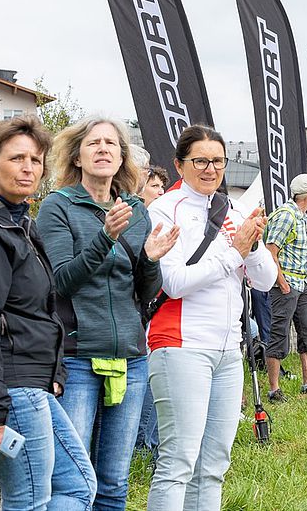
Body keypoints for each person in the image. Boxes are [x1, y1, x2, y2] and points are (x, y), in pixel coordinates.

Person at [0, 116, 97, 510]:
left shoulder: (18, 220)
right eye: (17, 158)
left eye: (36, 160)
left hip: (31, 382)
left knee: (77, 486)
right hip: (8, 387)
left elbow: (41, 307)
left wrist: (53, 372)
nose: (28, 168)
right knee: (29, 501)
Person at [36, 117, 179, 510]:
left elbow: (146, 293)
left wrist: (150, 260)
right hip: (78, 358)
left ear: (121, 158)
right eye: (93, 143)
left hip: (131, 359)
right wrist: (105, 238)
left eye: (111, 144)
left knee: (114, 481)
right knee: (73, 480)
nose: (103, 149)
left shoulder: (134, 209)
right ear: (77, 156)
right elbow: (60, 281)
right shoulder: (58, 207)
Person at [146, 125, 274, 511]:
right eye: (199, 160)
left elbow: (266, 279)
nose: (209, 169)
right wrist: (234, 251)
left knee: (214, 465)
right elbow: (174, 281)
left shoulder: (231, 209)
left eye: (217, 160)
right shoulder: (163, 210)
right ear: (179, 165)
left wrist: (249, 248)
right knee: (178, 462)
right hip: (179, 344)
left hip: (227, 349)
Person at [263, 173, 307, 399]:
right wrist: (281, 282)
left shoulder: (300, 215)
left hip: (302, 282)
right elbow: (271, 250)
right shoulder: (287, 215)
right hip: (287, 283)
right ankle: (273, 389)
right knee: (279, 332)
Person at [135, 163, 171, 459]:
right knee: (147, 378)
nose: (160, 191)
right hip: (142, 310)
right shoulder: (137, 221)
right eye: (154, 185)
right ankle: (141, 444)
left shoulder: (162, 219)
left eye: (162, 186)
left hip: (160, 306)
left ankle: (150, 442)